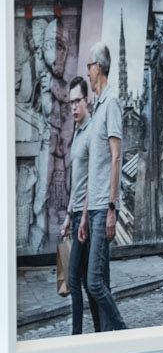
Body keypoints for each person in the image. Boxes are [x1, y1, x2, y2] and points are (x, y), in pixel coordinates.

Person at [79, 42, 126, 331]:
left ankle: (121, 331)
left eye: (88, 66)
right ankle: (104, 339)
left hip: (103, 209)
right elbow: (92, 169)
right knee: (97, 281)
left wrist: (111, 209)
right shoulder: (97, 108)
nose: (86, 71)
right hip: (92, 208)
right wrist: (84, 215)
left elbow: (116, 157)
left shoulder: (112, 104)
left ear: (98, 67)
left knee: (94, 283)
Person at [60, 77, 98, 333]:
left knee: (73, 277)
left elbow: (92, 181)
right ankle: (99, 332)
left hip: (86, 217)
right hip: (76, 216)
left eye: (77, 101)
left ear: (87, 100)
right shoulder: (77, 131)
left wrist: (82, 217)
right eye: (70, 102)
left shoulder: (92, 131)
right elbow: (77, 182)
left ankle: (77, 337)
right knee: (85, 280)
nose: (73, 107)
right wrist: (68, 215)